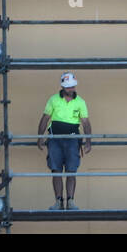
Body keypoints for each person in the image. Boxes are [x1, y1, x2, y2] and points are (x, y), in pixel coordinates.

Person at [37, 72, 91, 210]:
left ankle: (71, 201)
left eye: (72, 86)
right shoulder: (53, 100)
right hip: (55, 139)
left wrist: (88, 142)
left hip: (73, 140)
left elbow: (85, 123)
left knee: (71, 171)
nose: (71, 89)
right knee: (56, 170)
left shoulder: (80, 102)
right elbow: (45, 118)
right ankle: (58, 201)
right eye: (68, 87)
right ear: (62, 87)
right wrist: (40, 137)